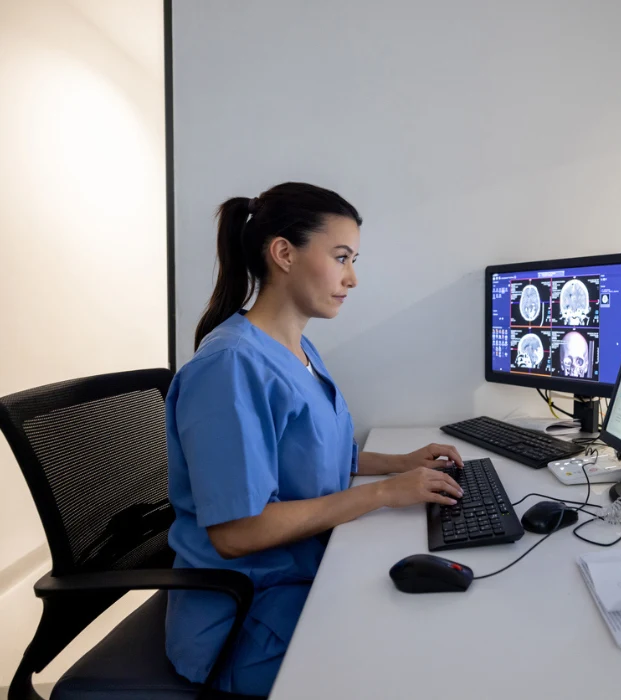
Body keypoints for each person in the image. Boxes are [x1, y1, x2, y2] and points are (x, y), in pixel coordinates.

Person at [165, 182, 465, 696]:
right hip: (244, 618)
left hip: (301, 572)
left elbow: (316, 456)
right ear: (283, 253)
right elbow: (236, 532)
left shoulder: (296, 350)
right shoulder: (229, 368)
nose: (352, 277)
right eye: (341, 257)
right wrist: (382, 494)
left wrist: (399, 463)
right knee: (416, 661)